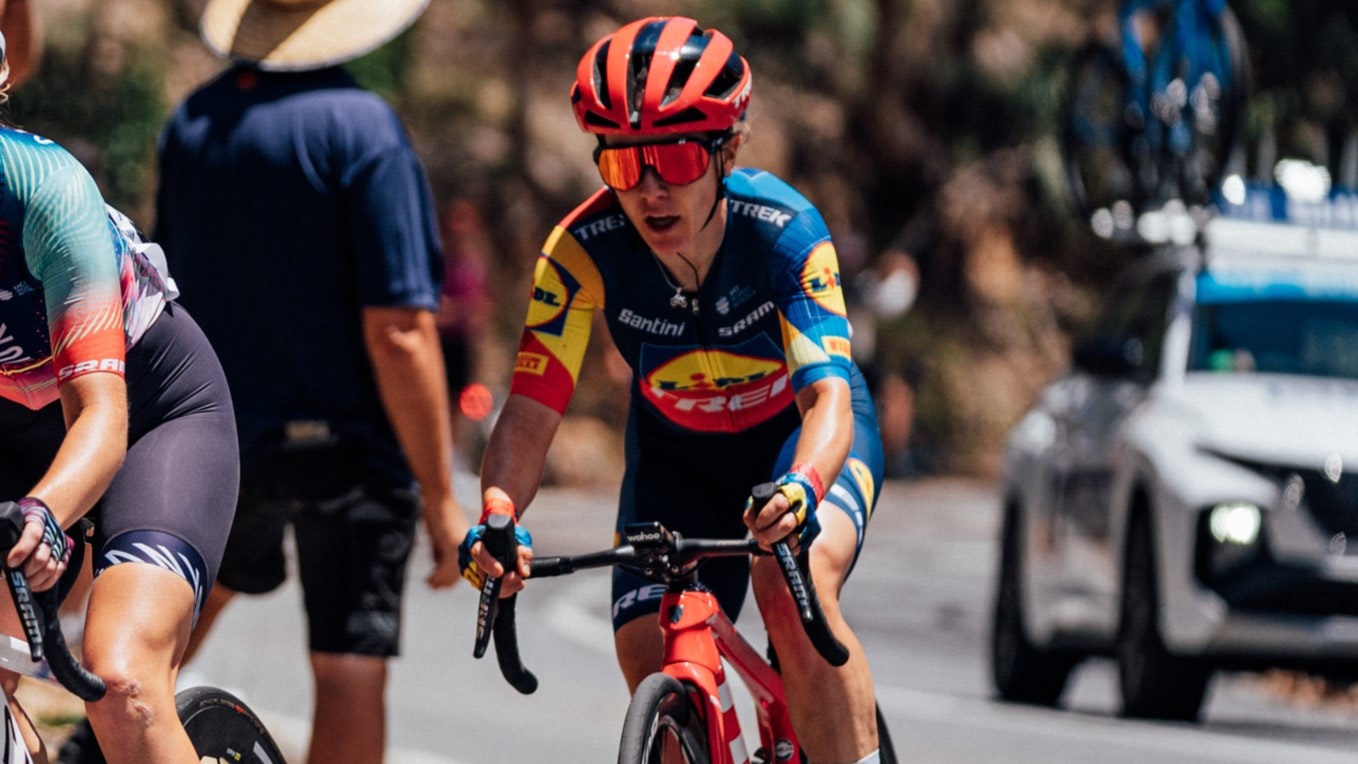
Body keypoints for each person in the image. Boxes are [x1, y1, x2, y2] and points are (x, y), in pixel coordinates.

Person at [462, 16, 887, 763]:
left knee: (790, 588)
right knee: (646, 647)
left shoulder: (784, 232)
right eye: (625, 165)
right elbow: (529, 412)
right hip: (674, 458)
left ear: (728, 150)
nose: (651, 189)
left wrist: (802, 488)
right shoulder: (579, 252)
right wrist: (499, 513)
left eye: (676, 157)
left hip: (798, 444)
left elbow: (827, 398)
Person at [152, 1, 468, 762]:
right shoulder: (362, 128)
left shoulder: (193, 122)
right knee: (347, 662)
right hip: (347, 445)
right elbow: (398, 331)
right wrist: (442, 499)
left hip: (217, 430)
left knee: (162, 637)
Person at [0, 18, 240, 764]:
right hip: (14, 430)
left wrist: (46, 511)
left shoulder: (46, 191)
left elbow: (101, 417)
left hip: (148, 417)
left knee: (122, 682)